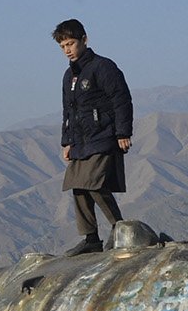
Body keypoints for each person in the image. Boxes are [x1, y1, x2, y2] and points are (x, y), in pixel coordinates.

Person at [53, 18, 133, 254]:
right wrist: (66, 141)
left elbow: (121, 99)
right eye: (63, 46)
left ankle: (120, 229)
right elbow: (68, 111)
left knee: (94, 183)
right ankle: (91, 239)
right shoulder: (69, 77)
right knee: (77, 186)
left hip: (103, 136)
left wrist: (122, 133)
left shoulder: (103, 67)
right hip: (81, 141)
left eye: (71, 43)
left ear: (84, 40)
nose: (67, 50)